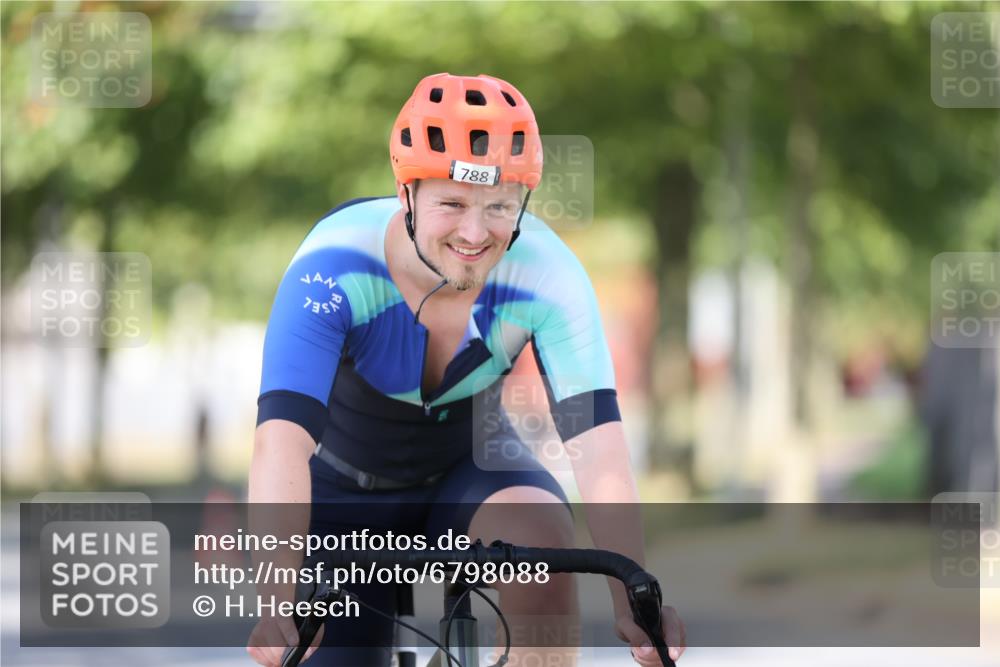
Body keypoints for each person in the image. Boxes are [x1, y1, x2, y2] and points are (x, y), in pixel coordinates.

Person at [248, 72, 685, 666]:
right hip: (338, 498)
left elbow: (598, 445)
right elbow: (280, 443)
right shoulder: (334, 261)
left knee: (543, 545)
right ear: (407, 196)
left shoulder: (546, 273)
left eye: (500, 206)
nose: (475, 233)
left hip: (470, 471)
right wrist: (276, 599)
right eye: (451, 203)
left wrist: (634, 598)